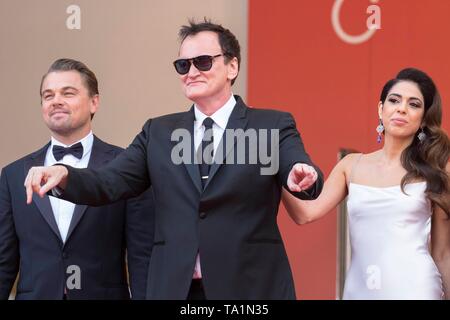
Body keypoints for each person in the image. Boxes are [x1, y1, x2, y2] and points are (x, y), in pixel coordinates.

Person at [23, 20, 324, 300]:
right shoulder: (158, 132)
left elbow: (297, 166)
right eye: (183, 65)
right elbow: (110, 181)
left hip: (250, 288)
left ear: (232, 66)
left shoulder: (271, 125)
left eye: (203, 62)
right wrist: (66, 175)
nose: (191, 71)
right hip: (175, 288)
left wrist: (302, 175)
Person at [282, 68, 450, 299]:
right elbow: (305, 214)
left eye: (414, 104)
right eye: (394, 100)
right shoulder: (351, 165)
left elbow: (442, 254)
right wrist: (274, 169)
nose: (401, 108)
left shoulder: (437, 170)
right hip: (359, 290)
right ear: (381, 109)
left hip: (417, 289)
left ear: (422, 120)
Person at [0, 59, 154, 300]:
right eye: (48, 95)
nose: (56, 101)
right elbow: (4, 260)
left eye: (68, 93)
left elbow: (142, 256)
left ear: (94, 102)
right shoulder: (12, 175)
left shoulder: (127, 168)